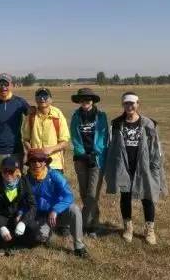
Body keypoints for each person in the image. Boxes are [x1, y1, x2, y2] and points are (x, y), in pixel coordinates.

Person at [105, 92, 167, 245]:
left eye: (132, 103)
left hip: (143, 166)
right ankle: (128, 228)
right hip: (124, 167)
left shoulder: (148, 124)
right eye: (126, 103)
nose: (129, 106)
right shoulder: (117, 124)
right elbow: (111, 147)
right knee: (125, 197)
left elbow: (155, 148)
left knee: (148, 197)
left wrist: (155, 166)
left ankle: (149, 230)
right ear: (123, 105)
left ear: (138, 104)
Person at [25, 149, 88, 257]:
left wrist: (55, 210)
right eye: (33, 161)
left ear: (45, 162)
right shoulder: (26, 180)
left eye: (40, 160)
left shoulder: (54, 175)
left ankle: (79, 246)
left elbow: (69, 196)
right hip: (41, 216)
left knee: (74, 209)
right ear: (29, 163)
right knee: (39, 238)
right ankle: (49, 231)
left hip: (58, 213)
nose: (37, 164)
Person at [69, 87, 109, 237]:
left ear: (92, 101)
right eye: (82, 99)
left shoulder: (101, 116)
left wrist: (94, 153)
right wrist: (83, 153)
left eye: (88, 99)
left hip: (96, 160)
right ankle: (94, 223)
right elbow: (74, 137)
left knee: (93, 193)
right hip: (81, 160)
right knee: (85, 193)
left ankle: (84, 224)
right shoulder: (75, 116)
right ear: (79, 101)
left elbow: (103, 138)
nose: (85, 101)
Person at [0, 157, 39, 247]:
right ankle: (5, 241)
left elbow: (33, 206)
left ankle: (18, 242)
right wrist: (1, 226)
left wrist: (23, 222)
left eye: (11, 171)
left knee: (33, 228)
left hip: (18, 217)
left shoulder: (24, 182)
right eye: (4, 171)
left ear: (17, 171)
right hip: (2, 217)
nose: (7, 174)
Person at [0, 73, 29, 178]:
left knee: (16, 180)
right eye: (1, 84)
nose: (3, 87)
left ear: (11, 85)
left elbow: (33, 117)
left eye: (6, 84)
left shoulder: (20, 102)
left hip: (16, 150)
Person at [22, 87, 70, 173]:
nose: (42, 99)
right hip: (35, 164)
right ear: (36, 99)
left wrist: (51, 149)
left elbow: (65, 142)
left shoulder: (58, 115)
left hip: (54, 164)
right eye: (39, 96)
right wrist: (31, 150)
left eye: (45, 96)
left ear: (51, 99)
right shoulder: (31, 116)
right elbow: (25, 139)